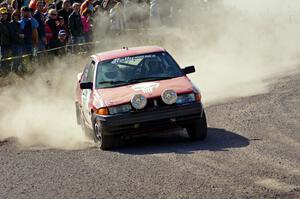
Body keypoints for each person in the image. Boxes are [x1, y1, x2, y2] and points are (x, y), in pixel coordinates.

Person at [0, 7, 11, 73]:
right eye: (3, 14)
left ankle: (7, 73)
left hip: (8, 44)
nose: (5, 15)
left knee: (8, 59)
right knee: (4, 59)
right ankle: (3, 73)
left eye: (6, 14)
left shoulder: (7, 22)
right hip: (3, 44)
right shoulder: (0, 24)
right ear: (0, 14)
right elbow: (7, 32)